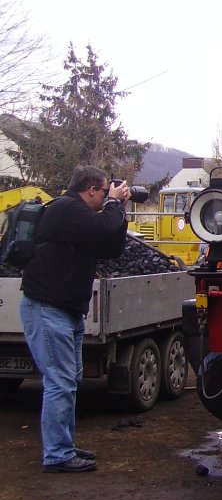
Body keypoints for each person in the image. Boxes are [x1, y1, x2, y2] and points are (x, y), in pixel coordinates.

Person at [20, 166, 130, 472]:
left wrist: (119, 211)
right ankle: (57, 454)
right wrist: (115, 204)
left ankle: (63, 444)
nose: (109, 195)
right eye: (106, 190)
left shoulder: (82, 221)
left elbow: (111, 246)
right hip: (47, 308)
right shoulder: (66, 209)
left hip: (66, 311)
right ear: (92, 190)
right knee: (60, 382)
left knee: (69, 380)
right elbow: (100, 228)